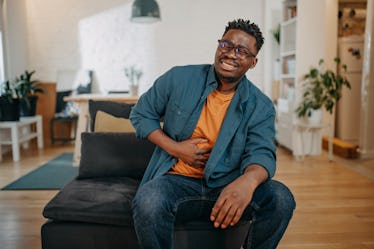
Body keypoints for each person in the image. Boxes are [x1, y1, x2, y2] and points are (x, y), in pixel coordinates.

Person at [130, 19, 295, 249]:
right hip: (176, 181)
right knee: (148, 200)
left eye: (241, 51)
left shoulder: (261, 106)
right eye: (226, 45)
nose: (230, 54)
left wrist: (247, 181)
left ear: (253, 62)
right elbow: (140, 114)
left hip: (229, 184)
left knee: (281, 198)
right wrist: (176, 148)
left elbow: (262, 153)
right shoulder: (179, 78)